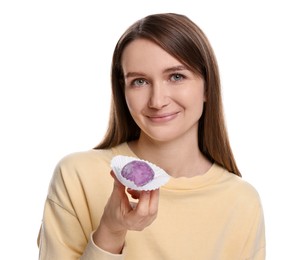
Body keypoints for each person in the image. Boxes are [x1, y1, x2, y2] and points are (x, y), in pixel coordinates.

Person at [37, 13, 265, 259]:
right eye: (140, 81)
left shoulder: (242, 202)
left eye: (176, 77)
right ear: (122, 91)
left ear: (207, 87)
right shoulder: (77, 176)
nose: (157, 101)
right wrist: (111, 230)